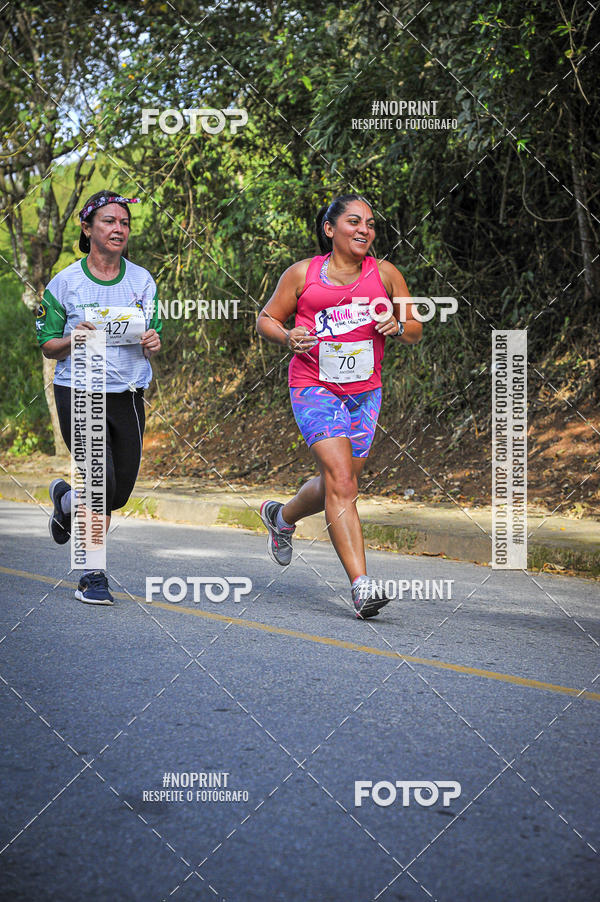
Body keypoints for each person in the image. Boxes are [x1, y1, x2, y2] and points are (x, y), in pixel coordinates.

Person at [256, 194, 422, 619]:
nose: (364, 230)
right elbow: (267, 318)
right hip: (313, 385)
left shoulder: (385, 274)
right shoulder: (302, 275)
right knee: (342, 479)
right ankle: (362, 586)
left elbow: (416, 328)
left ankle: (281, 515)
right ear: (330, 229)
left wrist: (399, 324)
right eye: (354, 221)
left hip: (365, 392)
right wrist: (287, 336)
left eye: (370, 223)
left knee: (341, 482)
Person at [36, 190, 162, 605]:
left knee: (118, 490)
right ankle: (92, 574)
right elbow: (48, 346)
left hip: (127, 393)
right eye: (109, 221)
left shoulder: (142, 280)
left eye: (124, 223)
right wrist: (74, 339)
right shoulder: (65, 283)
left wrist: (152, 340)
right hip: (79, 389)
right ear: (88, 228)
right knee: (97, 482)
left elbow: (151, 334)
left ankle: (65, 500)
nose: (118, 228)